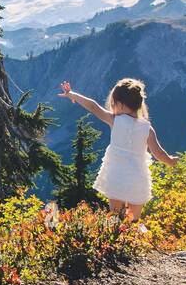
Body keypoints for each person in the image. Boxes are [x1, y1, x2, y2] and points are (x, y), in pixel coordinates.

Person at [58, 78, 177, 221]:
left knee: (115, 218)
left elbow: (93, 106)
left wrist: (72, 94)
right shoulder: (147, 128)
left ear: (119, 104)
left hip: (116, 176)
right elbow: (158, 153)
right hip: (138, 179)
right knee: (134, 220)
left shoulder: (115, 120)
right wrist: (171, 161)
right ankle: (134, 238)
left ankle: (116, 239)